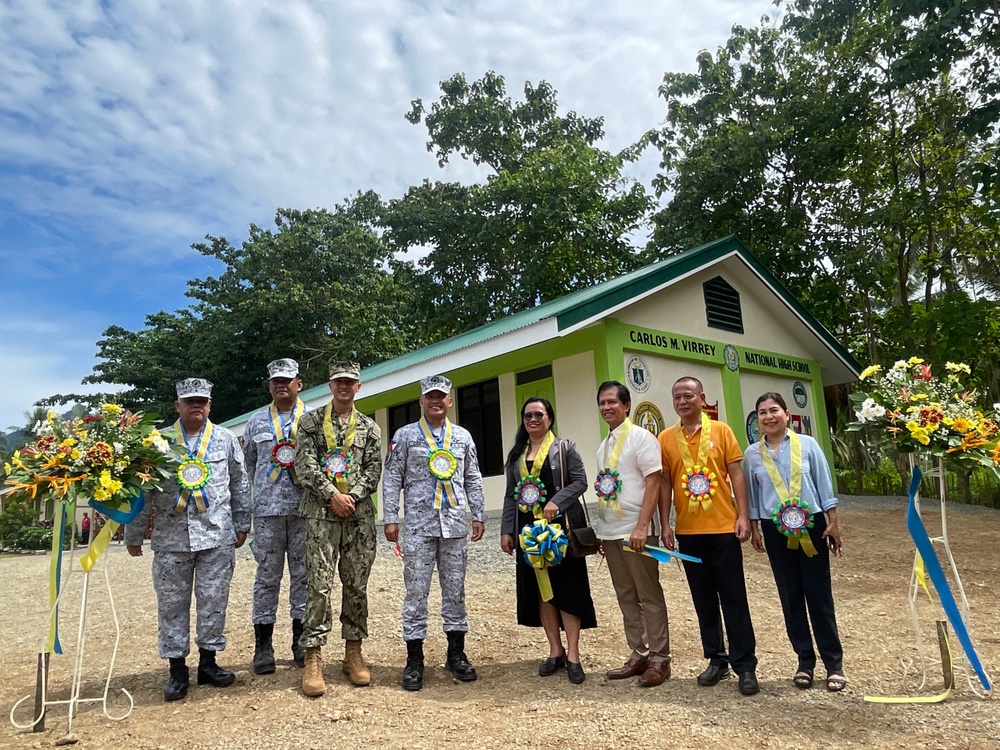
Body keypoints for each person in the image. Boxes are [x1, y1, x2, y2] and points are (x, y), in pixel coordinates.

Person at [126, 377, 250, 702]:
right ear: (177, 405)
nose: (196, 405)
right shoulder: (158, 443)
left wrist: (243, 522)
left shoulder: (224, 440)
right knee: (171, 606)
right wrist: (134, 533)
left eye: (202, 401)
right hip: (171, 540)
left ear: (210, 405)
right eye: (189, 400)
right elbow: (144, 490)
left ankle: (209, 663)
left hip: (217, 537)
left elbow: (240, 483)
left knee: (214, 603)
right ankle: (177, 670)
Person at [382, 374, 486, 691]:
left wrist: (479, 513)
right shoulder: (405, 436)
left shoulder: (463, 437)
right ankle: (414, 660)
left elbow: (473, 477)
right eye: (430, 396)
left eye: (441, 396)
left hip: (454, 525)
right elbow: (391, 479)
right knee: (416, 594)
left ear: (450, 401)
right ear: (421, 402)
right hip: (417, 527)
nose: (436, 401)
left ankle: (456, 654)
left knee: (455, 591)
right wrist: (390, 517)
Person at [659, 376, 759, 695]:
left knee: (734, 599)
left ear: (702, 398)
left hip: (723, 530)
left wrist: (743, 515)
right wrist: (665, 524)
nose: (683, 401)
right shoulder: (665, 438)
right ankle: (716, 659)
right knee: (703, 601)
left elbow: (736, 474)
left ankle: (745, 665)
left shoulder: (722, 431)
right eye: (677, 397)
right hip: (689, 533)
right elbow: (663, 484)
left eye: (689, 395)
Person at [745, 392, 846, 692]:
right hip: (775, 529)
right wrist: (754, 528)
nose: (768, 416)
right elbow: (752, 496)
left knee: (819, 595)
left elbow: (824, 485)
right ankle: (805, 660)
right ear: (757, 420)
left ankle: (833, 664)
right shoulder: (752, 454)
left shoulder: (808, 445)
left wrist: (834, 522)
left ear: (787, 414)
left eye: (774, 410)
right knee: (790, 596)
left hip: (810, 524)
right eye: (762, 412)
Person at [293, 361, 382, 697]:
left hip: (358, 517)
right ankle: (313, 656)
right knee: (318, 584)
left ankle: (353, 651)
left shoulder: (370, 428)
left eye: (350, 382)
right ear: (330, 385)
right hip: (320, 513)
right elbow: (304, 463)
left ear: (358, 387)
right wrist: (332, 495)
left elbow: (374, 470)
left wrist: (352, 497)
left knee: (356, 583)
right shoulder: (311, 422)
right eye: (338, 381)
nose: (344, 386)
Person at [500, 398, 596, 684]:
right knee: (541, 591)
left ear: (549, 418)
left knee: (567, 589)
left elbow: (580, 481)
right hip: (529, 532)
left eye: (538, 414)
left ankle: (574, 655)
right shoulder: (517, 454)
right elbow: (509, 495)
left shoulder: (565, 448)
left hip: (559, 530)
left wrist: (557, 501)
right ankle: (555, 650)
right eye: (528, 415)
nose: (533, 419)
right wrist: (507, 530)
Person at [593, 381, 672, 688]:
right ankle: (638, 654)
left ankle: (659, 659)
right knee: (626, 595)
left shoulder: (642, 438)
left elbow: (654, 481)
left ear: (626, 405)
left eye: (612, 402)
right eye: (602, 403)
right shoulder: (604, 446)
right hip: (611, 533)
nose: (606, 407)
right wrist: (603, 532)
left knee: (648, 594)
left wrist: (643, 526)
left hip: (637, 532)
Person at [242, 358, 309, 675]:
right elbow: (249, 467)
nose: (281, 385)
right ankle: (263, 646)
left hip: (304, 511)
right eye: (275, 381)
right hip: (267, 513)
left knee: (304, 576)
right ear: (269, 386)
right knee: (267, 579)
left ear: (299, 383)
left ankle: (300, 641)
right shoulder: (255, 423)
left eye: (287, 379)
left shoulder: (313, 420)